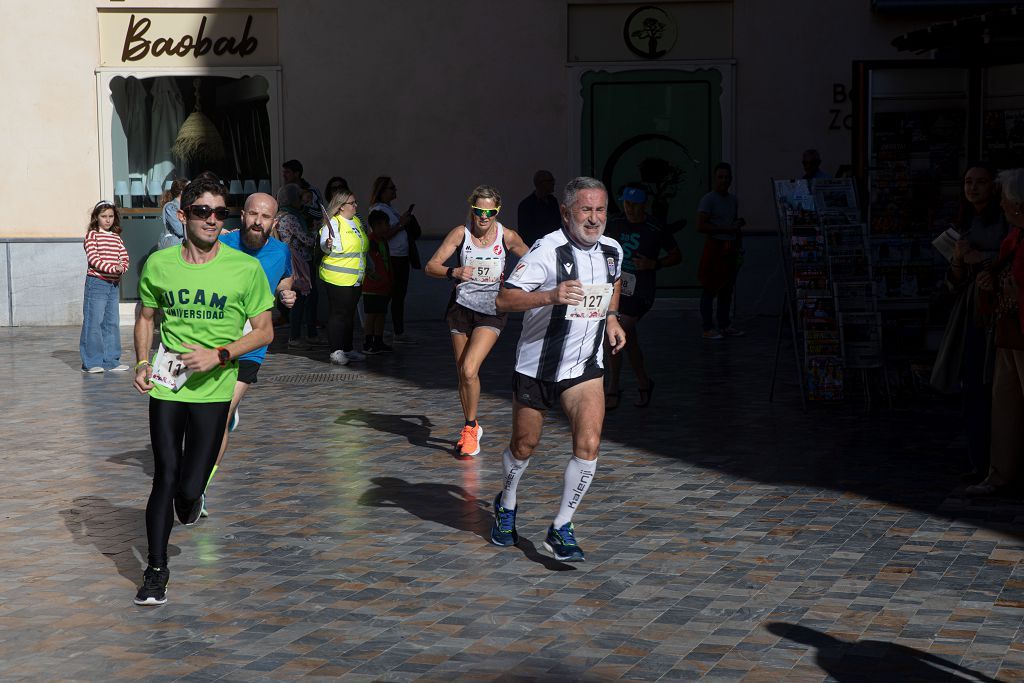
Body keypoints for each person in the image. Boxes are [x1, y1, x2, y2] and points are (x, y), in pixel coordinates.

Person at [132, 176, 275, 605]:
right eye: (202, 211)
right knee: (165, 476)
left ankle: (192, 500)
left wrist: (221, 354)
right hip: (169, 387)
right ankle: (156, 570)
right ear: (183, 215)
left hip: (215, 389)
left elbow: (265, 331)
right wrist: (141, 361)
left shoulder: (244, 268)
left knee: (190, 488)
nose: (212, 219)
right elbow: (145, 318)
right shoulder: (160, 264)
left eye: (219, 212)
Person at [490, 177, 626, 562]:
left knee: (589, 444)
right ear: (567, 213)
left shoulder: (613, 250)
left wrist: (612, 318)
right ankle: (507, 501)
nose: (595, 218)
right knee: (524, 446)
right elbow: (504, 300)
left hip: (585, 368)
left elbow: (614, 283)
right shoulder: (545, 252)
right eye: (586, 210)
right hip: (537, 367)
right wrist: (550, 295)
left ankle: (562, 525)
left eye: (600, 210)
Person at [203, 192, 296, 513]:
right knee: (207, 413)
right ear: (241, 215)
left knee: (221, 413)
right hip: (214, 339)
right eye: (253, 214)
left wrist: (286, 292)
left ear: (274, 220)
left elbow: (287, 276)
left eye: (266, 216)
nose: (258, 221)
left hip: (253, 341)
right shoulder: (222, 245)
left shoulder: (281, 250)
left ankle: (200, 485)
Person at [425, 185, 530, 457]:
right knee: (463, 373)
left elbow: (533, 261)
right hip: (461, 308)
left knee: (471, 369)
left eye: (489, 212)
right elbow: (431, 266)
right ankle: (470, 427)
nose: (483, 217)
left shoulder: (507, 236)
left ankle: (471, 428)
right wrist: (454, 271)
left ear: (497, 211)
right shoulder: (461, 234)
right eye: (478, 211)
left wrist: (517, 285)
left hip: (491, 310)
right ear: (472, 209)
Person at [932, 162, 1006, 480]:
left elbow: (1010, 260)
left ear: (994, 186)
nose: (973, 187)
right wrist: (960, 262)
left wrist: (981, 259)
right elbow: (954, 281)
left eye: (980, 182)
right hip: (970, 311)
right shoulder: (964, 221)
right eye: (968, 182)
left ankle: (996, 461)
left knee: (993, 386)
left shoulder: (1005, 221)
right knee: (972, 385)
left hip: (998, 310)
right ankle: (978, 460)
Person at [968, 168, 1024, 498]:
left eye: (1005, 200)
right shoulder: (1014, 237)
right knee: (1004, 402)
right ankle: (1000, 472)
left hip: (1020, 329)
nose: (1001, 205)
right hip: (1009, 330)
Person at [603, 184, 681, 408]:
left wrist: (654, 263)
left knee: (614, 338)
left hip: (641, 292)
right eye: (627, 204)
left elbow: (677, 256)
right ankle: (644, 382)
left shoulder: (655, 227)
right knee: (630, 342)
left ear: (644, 205)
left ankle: (613, 387)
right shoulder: (615, 222)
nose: (630, 210)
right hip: (617, 289)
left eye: (636, 206)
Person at [320, 188, 369, 365]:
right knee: (338, 313)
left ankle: (348, 349)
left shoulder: (356, 221)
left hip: (355, 277)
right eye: (352, 203)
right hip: (337, 277)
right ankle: (336, 350)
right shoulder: (333, 222)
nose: (356, 205)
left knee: (349, 314)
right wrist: (328, 243)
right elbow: (324, 245)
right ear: (341, 207)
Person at [80, 200, 130, 373]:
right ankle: (92, 362)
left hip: (113, 284)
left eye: (110, 216)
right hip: (97, 283)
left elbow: (124, 257)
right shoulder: (92, 235)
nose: (107, 220)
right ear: (97, 217)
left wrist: (121, 268)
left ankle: (111, 360)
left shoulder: (116, 238)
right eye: (103, 216)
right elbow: (93, 259)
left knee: (112, 322)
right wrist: (111, 268)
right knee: (94, 322)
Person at [697, 162, 745, 339]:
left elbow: (733, 223)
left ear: (731, 179)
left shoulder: (733, 200)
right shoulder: (708, 199)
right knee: (709, 288)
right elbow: (701, 225)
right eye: (720, 177)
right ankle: (707, 327)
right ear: (715, 179)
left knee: (727, 288)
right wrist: (726, 230)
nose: (724, 180)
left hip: (730, 248)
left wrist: (737, 239)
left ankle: (724, 324)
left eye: (727, 177)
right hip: (715, 246)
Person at [369, 176, 419, 344]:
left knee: (398, 295)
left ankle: (395, 331)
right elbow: (382, 234)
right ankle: (383, 333)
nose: (394, 191)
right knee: (390, 295)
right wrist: (401, 224)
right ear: (382, 191)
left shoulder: (390, 209)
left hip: (401, 257)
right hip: (392, 257)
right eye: (391, 188)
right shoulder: (378, 209)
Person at [276, 183, 319, 349]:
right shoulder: (292, 218)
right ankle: (296, 337)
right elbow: (307, 240)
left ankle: (304, 334)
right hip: (300, 262)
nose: (302, 201)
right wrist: (316, 231)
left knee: (299, 298)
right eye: (299, 197)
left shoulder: (279, 216)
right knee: (303, 298)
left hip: (289, 261)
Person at [516, 170, 561, 246]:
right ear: (540, 183)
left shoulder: (553, 201)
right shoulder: (526, 205)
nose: (553, 183)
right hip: (537, 247)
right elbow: (525, 233)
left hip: (554, 244)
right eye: (550, 180)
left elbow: (557, 223)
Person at [282, 159, 324, 227]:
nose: (284, 175)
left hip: (309, 233)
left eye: (287, 172)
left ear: (296, 174)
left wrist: (302, 208)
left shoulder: (311, 191)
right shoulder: (283, 192)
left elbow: (320, 214)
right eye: (283, 172)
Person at [157, 178, 189, 250]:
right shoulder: (170, 207)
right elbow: (180, 230)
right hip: (174, 247)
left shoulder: (185, 206)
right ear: (181, 191)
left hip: (184, 246)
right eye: (189, 188)